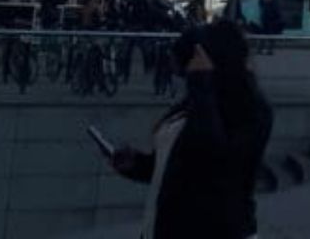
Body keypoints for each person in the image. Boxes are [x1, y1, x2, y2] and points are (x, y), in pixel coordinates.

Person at [110, 21, 274, 239]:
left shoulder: (250, 111)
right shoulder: (196, 102)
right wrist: (138, 165)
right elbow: (181, 165)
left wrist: (200, 84)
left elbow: (213, 158)